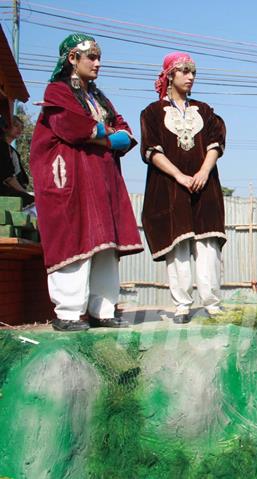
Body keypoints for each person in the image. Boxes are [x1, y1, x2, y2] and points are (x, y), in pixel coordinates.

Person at [29, 33, 143, 331]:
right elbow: (72, 127)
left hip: (102, 180)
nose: (97, 62)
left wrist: (105, 135)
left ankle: (102, 310)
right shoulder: (57, 91)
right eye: (91, 56)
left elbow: (126, 131)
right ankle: (67, 313)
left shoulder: (98, 97)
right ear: (72, 59)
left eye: (98, 57)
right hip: (71, 181)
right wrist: (107, 136)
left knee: (105, 245)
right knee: (75, 240)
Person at [140, 52, 227, 324]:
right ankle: (182, 305)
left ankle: (212, 303)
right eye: (184, 71)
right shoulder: (152, 113)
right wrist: (179, 175)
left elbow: (216, 143)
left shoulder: (205, 110)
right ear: (170, 75)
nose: (190, 77)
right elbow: (151, 150)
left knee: (207, 244)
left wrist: (202, 171)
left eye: (193, 72)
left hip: (205, 185)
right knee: (178, 245)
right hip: (170, 186)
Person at [0, 115, 34, 206]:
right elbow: (8, 177)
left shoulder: (13, 151)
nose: (19, 129)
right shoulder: (2, 146)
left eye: (21, 127)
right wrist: (25, 194)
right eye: (16, 125)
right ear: (5, 127)